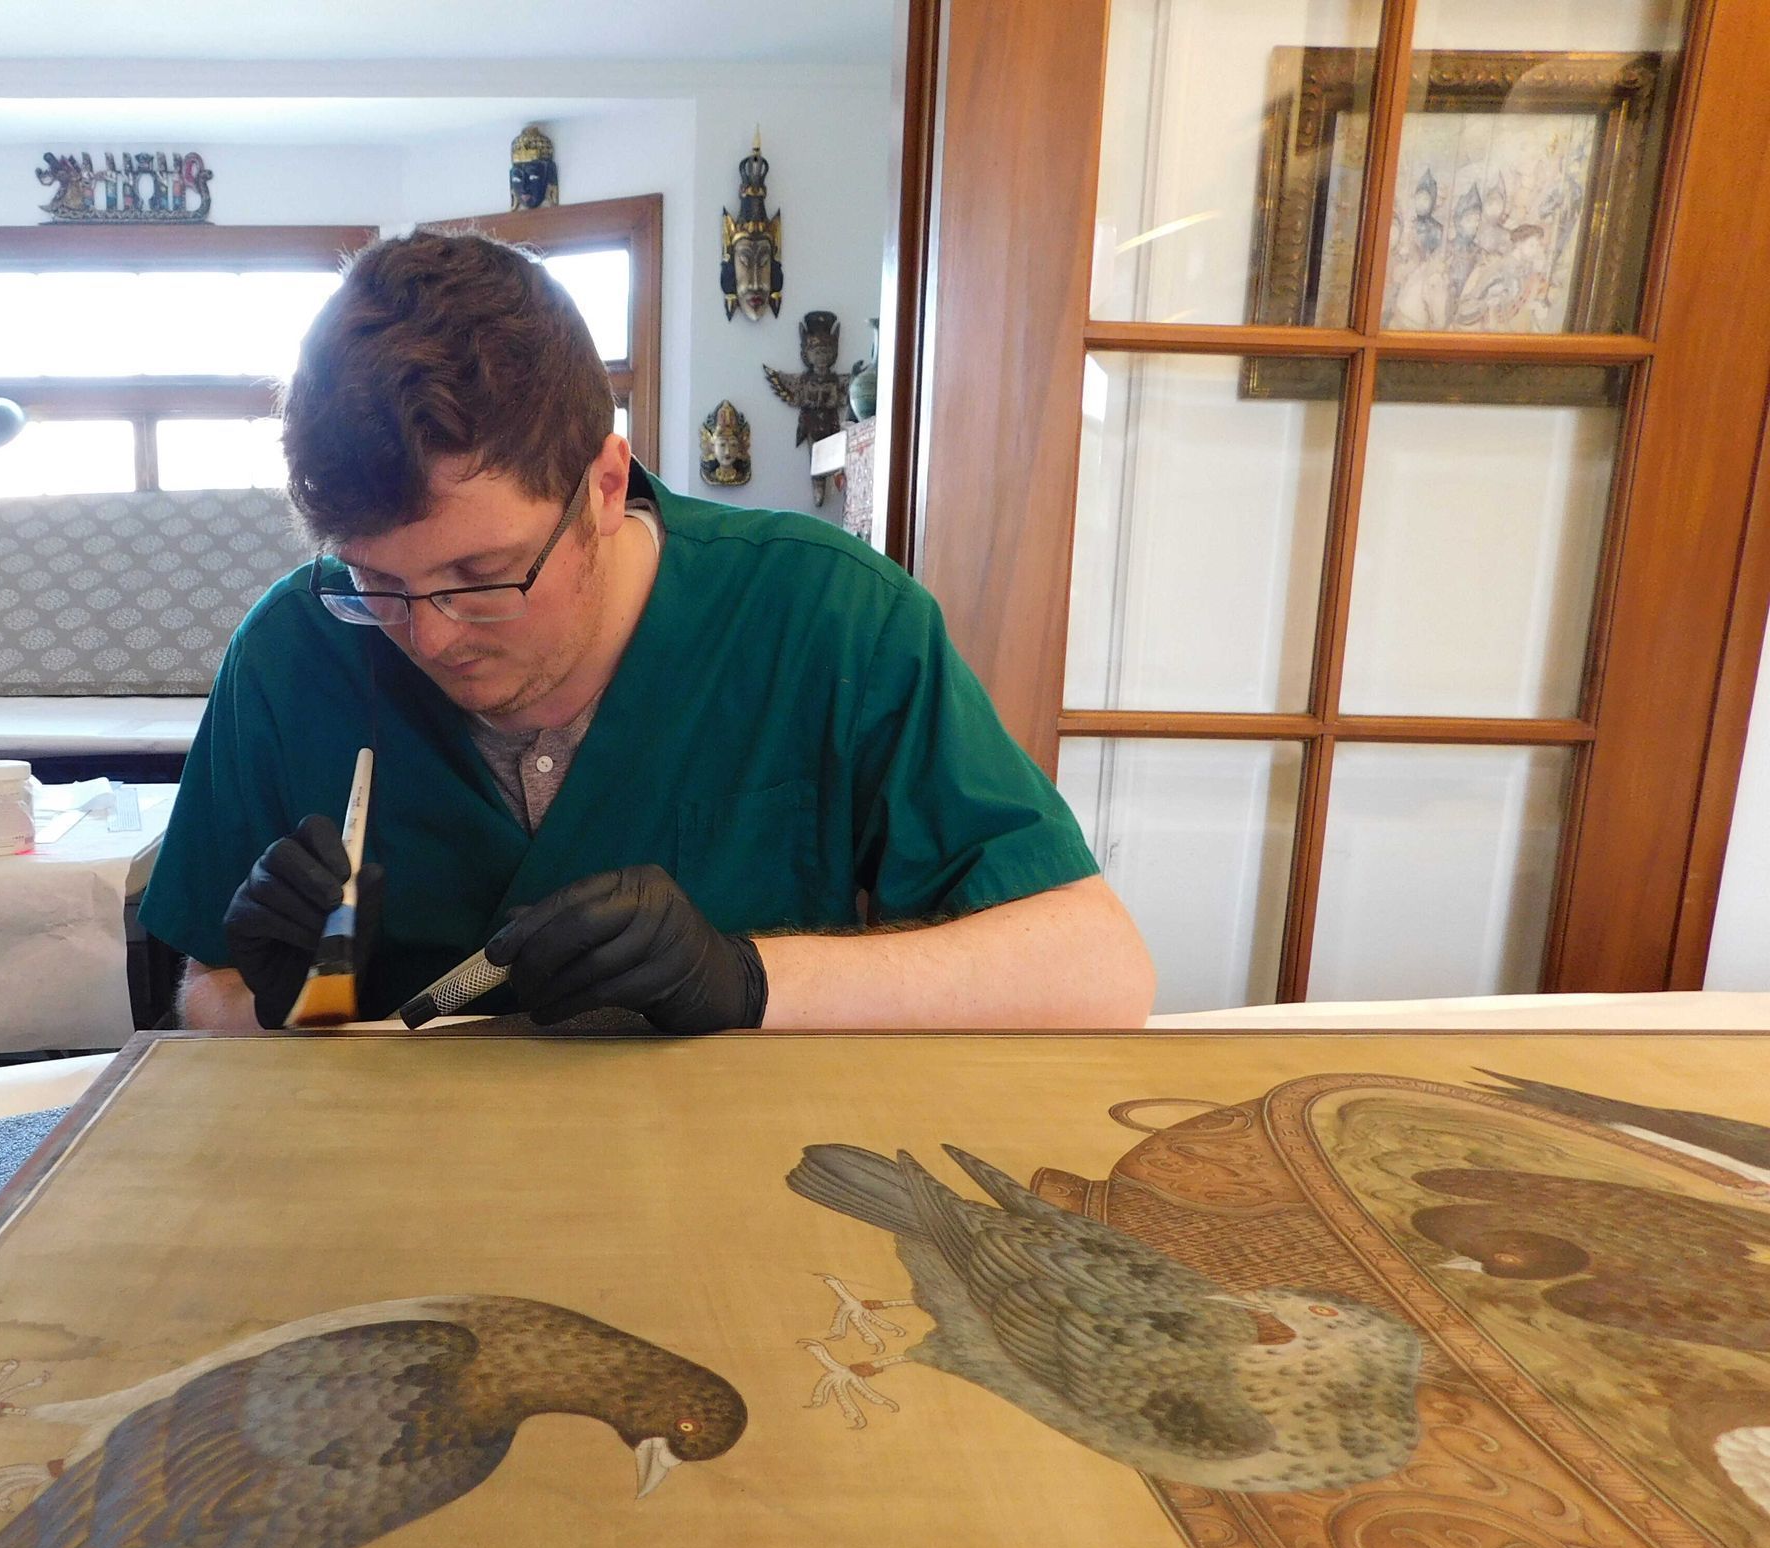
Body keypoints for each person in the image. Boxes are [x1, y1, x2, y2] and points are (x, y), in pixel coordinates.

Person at [139, 229, 1154, 1033]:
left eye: (484, 578)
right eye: (378, 583)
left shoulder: (828, 617)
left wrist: (749, 980)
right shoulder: (292, 650)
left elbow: (1098, 969)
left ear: (604, 485)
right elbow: (205, 994)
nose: (432, 639)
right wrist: (283, 1001)